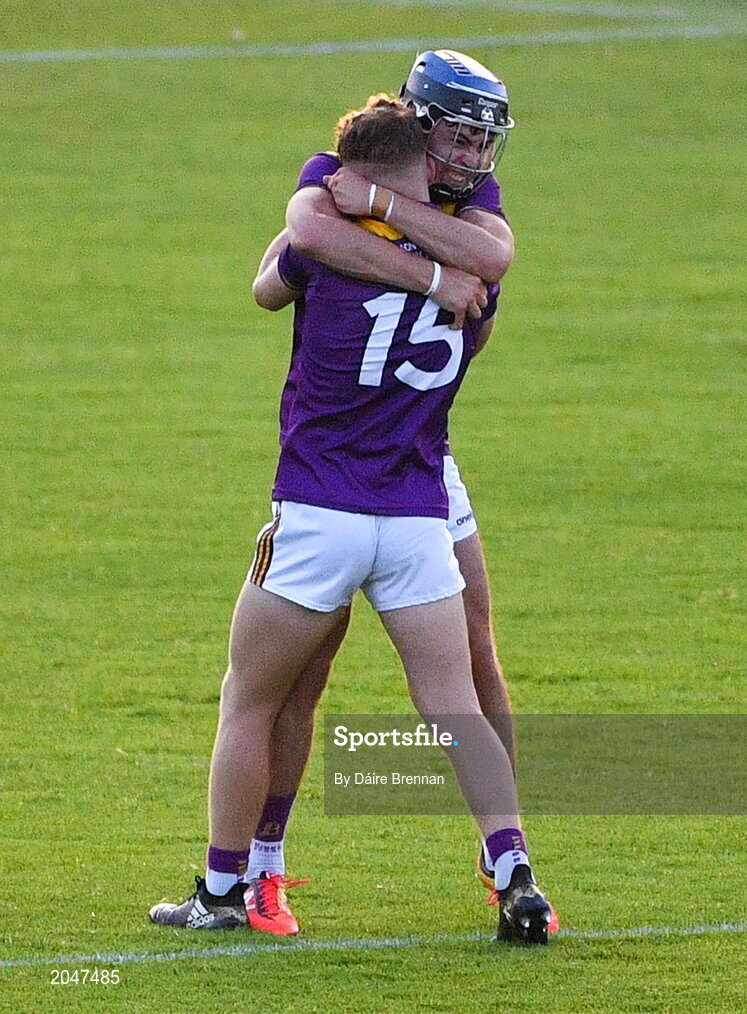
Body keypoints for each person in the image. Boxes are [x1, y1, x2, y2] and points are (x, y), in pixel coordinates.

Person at [149, 99, 552, 945]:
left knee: (249, 701)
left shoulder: (324, 253)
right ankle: (514, 871)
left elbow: (268, 282)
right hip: (414, 512)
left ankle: (223, 890)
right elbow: (471, 312)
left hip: (318, 512)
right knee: (453, 703)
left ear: (357, 177)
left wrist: (338, 212)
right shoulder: (476, 277)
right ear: (427, 149)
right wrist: (431, 275)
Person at [244, 52, 540, 932]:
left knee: (474, 665)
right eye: (460, 132)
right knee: (306, 674)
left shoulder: (441, 200)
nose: (475, 152)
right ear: (418, 122)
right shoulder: (338, 177)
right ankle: (266, 864)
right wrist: (431, 270)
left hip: (416, 463)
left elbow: (494, 257)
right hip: (366, 468)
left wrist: (379, 213)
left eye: (485, 137)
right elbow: (303, 229)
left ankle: (512, 860)